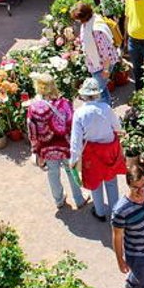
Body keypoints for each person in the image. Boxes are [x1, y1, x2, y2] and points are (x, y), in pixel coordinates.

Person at [27, 72, 87, 209]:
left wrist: (35, 149)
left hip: (47, 148)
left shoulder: (33, 107)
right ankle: (79, 199)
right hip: (65, 145)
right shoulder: (64, 103)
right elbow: (73, 125)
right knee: (71, 171)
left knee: (53, 173)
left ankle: (59, 200)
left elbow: (31, 130)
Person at [69, 78, 126, 220]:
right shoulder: (106, 108)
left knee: (95, 182)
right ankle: (115, 213)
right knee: (111, 181)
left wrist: (74, 159)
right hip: (109, 151)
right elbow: (117, 127)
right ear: (98, 94)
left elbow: (76, 139)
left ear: (83, 95)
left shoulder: (79, 113)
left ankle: (100, 212)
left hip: (91, 153)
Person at [71, 2, 120, 104]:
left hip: (102, 65)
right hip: (95, 63)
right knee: (102, 89)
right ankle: (107, 106)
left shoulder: (96, 30)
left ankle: (104, 113)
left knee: (98, 92)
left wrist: (106, 70)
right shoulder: (90, 21)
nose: (77, 22)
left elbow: (105, 52)